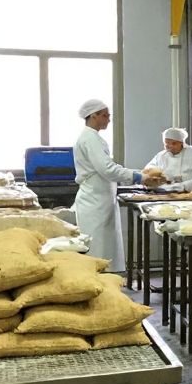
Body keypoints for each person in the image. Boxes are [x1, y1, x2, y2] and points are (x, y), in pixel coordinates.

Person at [70, 99, 143, 272]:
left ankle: (106, 286)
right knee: (97, 250)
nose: (108, 119)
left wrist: (137, 174)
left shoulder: (94, 137)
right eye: (105, 115)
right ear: (93, 116)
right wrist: (138, 176)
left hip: (101, 200)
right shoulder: (89, 138)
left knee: (104, 249)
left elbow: (107, 169)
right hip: (94, 201)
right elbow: (107, 169)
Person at [143, 128, 192, 192]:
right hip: (165, 194)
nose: (170, 146)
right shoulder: (161, 156)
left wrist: (184, 186)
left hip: (190, 193)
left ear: (181, 143)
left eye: (174, 143)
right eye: (167, 143)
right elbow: (148, 171)